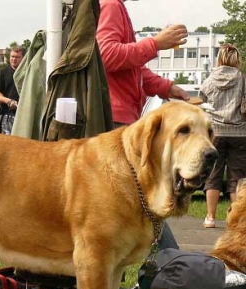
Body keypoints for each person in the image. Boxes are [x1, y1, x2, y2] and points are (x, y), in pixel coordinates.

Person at [97, 0, 190, 250]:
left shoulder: (112, 6)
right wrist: (156, 44)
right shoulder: (112, 5)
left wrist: (170, 88)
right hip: (117, 121)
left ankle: (167, 263)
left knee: (139, 198)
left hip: (119, 118)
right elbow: (107, 55)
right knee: (146, 197)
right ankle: (171, 264)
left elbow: (132, 70)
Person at [199, 43, 246, 228]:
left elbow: (200, 102)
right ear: (237, 60)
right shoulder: (242, 79)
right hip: (240, 133)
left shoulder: (210, 79)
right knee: (237, 177)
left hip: (215, 132)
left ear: (220, 58)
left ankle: (210, 217)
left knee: (213, 174)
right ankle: (237, 220)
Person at [0, 46, 26, 135]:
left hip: (24, 115)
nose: (14, 59)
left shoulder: (28, 73)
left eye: (17, 57)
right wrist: (8, 101)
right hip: (6, 115)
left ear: (23, 58)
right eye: (12, 56)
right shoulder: (2, 72)